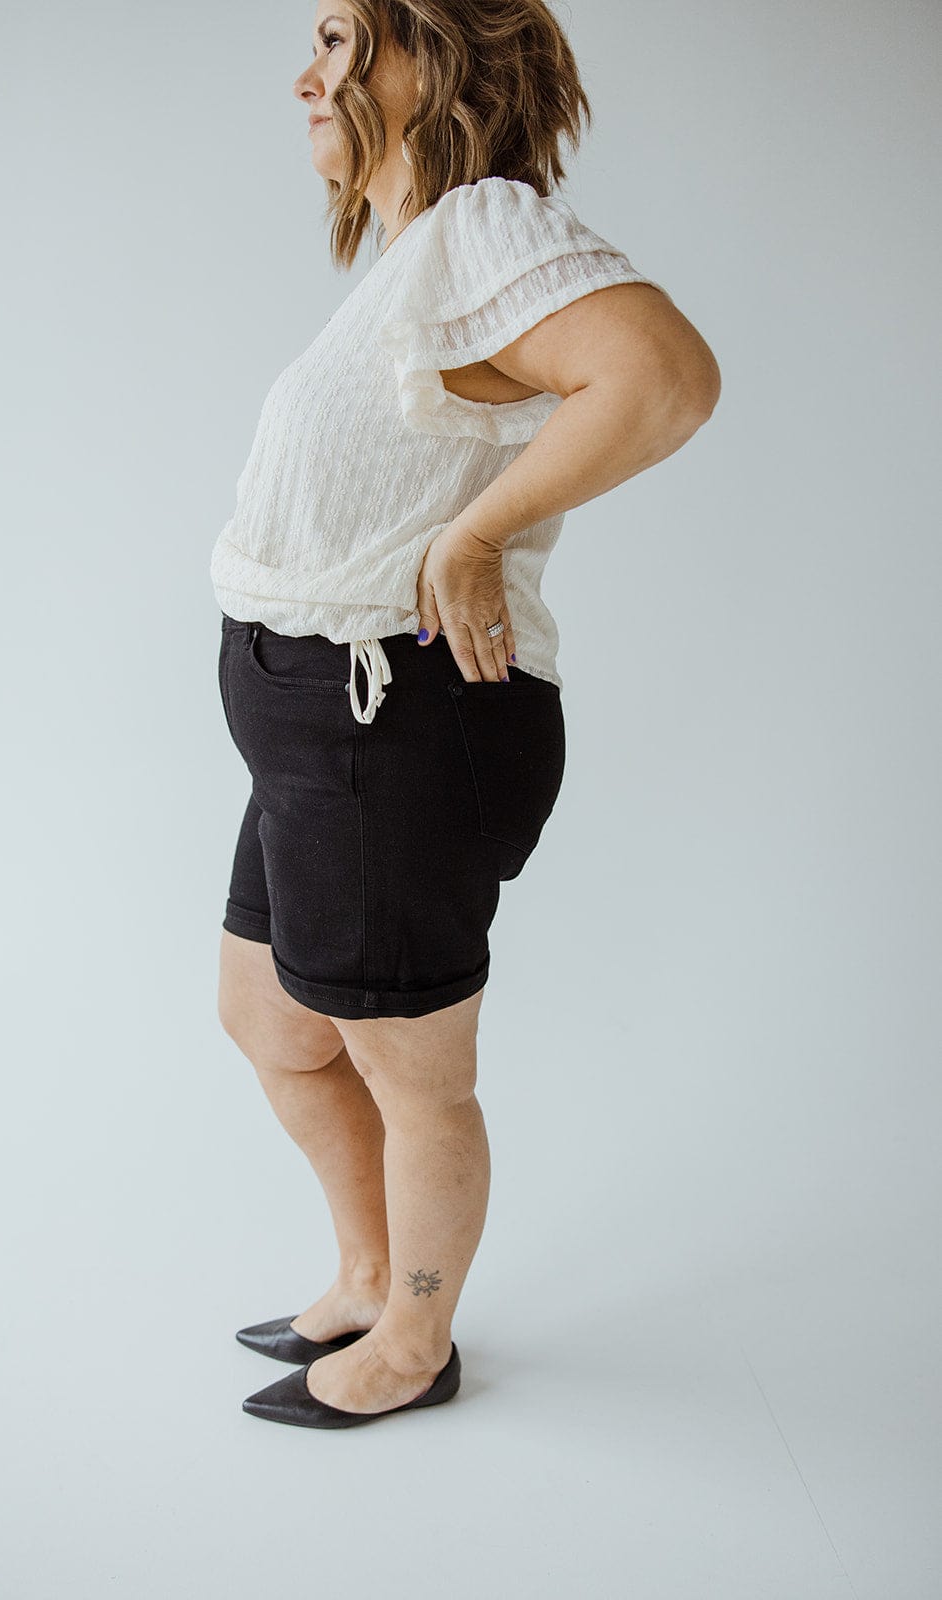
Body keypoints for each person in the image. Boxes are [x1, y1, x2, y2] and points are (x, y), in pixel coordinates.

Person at [212, 0, 721, 1429]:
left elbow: (664, 377)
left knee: (409, 1064)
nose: (305, 75)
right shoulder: (417, 260)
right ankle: (373, 1272)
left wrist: (476, 536)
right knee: (271, 1019)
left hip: (400, 723)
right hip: (319, 721)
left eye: (338, 38)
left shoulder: (486, 221)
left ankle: (414, 1345)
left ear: (430, 55)